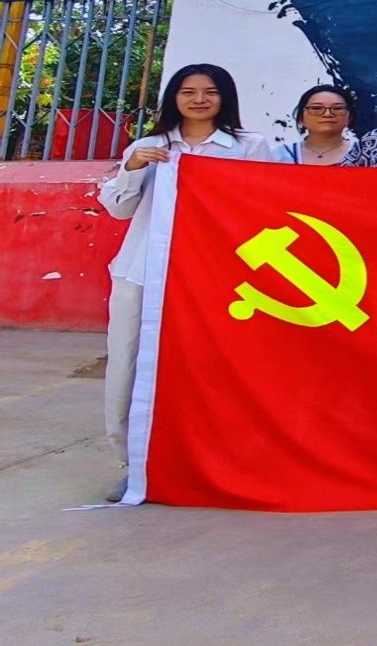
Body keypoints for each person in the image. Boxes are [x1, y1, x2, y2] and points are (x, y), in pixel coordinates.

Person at [98, 63, 271, 502]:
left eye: (210, 92)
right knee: (129, 365)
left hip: (216, 276)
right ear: (173, 97)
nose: (199, 100)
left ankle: (221, 460)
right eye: (188, 91)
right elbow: (119, 209)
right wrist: (132, 167)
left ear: (225, 98)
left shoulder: (249, 147)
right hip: (142, 272)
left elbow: (265, 206)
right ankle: (135, 464)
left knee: (212, 368)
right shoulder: (149, 146)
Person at [272, 84, 358, 164]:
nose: (327, 114)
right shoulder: (277, 155)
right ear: (301, 117)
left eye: (337, 108)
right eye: (316, 108)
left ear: (350, 117)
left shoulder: (361, 154)